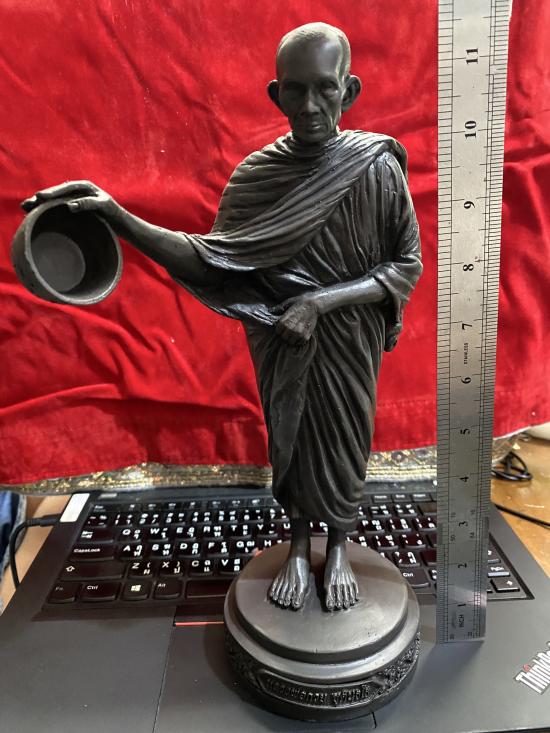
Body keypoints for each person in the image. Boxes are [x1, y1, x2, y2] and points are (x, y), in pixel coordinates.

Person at [22, 23, 422, 611]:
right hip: (282, 339)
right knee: (289, 440)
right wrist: (118, 217)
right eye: (295, 90)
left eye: (325, 88)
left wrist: (320, 302)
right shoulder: (256, 177)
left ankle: (337, 547)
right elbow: (211, 260)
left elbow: (406, 265)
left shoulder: (376, 168)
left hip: (347, 338)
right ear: (276, 95)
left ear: (350, 90)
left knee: (345, 440)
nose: (311, 105)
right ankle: (298, 546)